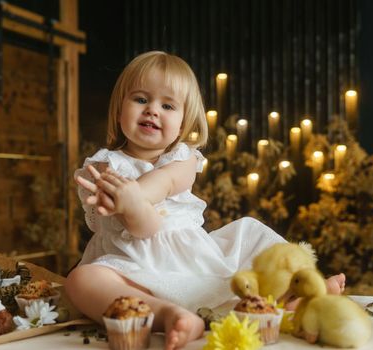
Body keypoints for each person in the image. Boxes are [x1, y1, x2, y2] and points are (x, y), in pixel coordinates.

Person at [65, 51, 345, 350]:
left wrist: (132, 197)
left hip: (193, 263)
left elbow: (162, 185)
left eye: (168, 105)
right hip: (129, 268)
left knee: (251, 233)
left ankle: (303, 293)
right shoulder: (105, 166)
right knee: (81, 281)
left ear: (184, 121)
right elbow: (141, 229)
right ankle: (170, 316)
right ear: (119, 108)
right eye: (140, 99)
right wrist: (124, 203)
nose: (153, 111)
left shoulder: (183, 159)